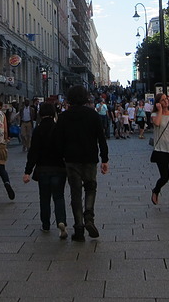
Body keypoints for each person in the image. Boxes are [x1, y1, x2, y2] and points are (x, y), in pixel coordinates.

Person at [56, 85, 109, 241]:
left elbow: (58, 141)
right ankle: (89, 217)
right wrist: (104, 159)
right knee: (91, 188)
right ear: (86, 97)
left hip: (71, 159)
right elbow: (101, 138)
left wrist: (61, 158)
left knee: (75, 193)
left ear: (70, 98)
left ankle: (79, 228)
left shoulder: (64, 117)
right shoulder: (92, 115)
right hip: (90, 158)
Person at [24, 102, 68, 238]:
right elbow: (65, 149)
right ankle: (61, 221)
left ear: (40, 114)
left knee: (44, 198)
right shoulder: (59, 129)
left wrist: (27, 171)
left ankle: (45, 224)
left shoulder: (38, 130)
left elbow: (33, 153)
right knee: (59, 197)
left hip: (43, 169)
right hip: (59, 169)